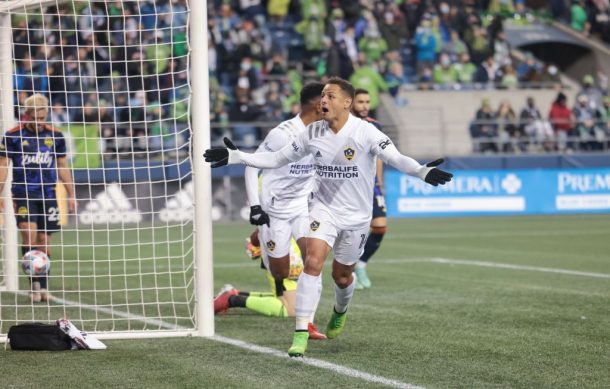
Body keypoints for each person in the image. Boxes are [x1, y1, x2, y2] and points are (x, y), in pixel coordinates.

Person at [204, 77, 453, 357]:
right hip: (322, 209)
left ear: (346, 103)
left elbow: (397, 158)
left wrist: (421, 171)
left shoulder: (366, 133)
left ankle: (340, 310)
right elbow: (276, 159)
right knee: (312, 262)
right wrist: (238, 156)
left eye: (330, 96)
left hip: (357, 217)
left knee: (342, 275)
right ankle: (300, 332)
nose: (324, 100)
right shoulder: (312, 133)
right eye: (323, 95)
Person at [244, 82, 325, 302]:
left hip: (302, 208)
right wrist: (255, 206)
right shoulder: (282, 134)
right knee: (281, 272)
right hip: (274, 210)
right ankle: (259, 239)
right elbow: (252, 165)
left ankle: (306, 322)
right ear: (319, 106)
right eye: (328, 101)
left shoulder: (326, 132)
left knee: (314, 259)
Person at [0, 93, 77, 302]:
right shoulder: (13, 136)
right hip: (24, 192)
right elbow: (3, 166)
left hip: (49, 193)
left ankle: (43, 287)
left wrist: (72, 194)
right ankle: (33, 284)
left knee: (45, 240)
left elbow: (62, 166)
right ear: (27, 115)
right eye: (35, 118)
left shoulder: (56, 136)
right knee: (29, 234)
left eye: (43, 118)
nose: (39, 122)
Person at [213, 230, 327, 340]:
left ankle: (235, 294)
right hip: (285, 261)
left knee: (297, 299)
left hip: (294, 256)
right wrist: (257, 242)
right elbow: (265, 224)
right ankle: (232, 299)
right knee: (292, 309)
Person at [350, 89, 386, 290]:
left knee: (380, 227)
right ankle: (348, 269)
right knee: (354, 229)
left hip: (371, 185)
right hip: (351, 185)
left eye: (367, 102)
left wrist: (379, 181)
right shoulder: (344, 125)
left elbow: (379, 155)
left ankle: (361, 265)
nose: (365, 105)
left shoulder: (375, 125)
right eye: (360, 101)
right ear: (351, 103)